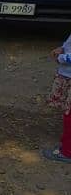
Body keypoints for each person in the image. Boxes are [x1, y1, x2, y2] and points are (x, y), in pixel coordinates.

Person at [43, 31, 71, 162]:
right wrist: (63, 48)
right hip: (67, 74)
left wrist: (62, 57)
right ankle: (66, 143)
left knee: (69, 114)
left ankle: (67, 151)